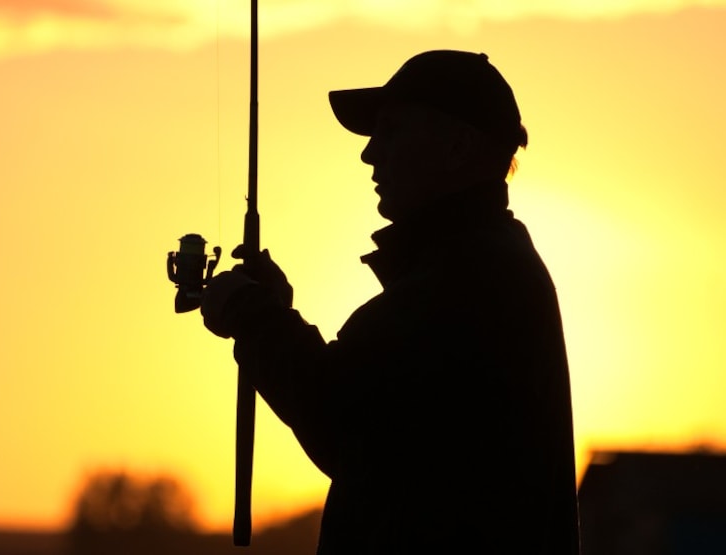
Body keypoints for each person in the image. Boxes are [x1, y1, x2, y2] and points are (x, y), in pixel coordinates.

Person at [200, 50, 581, 553]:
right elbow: (375, 400)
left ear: (459, 146)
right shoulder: (479, 266)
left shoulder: (470, 276)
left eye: (393, 131)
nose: (370, 153)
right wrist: (271, 314)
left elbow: (341, 415)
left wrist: (253, 316)